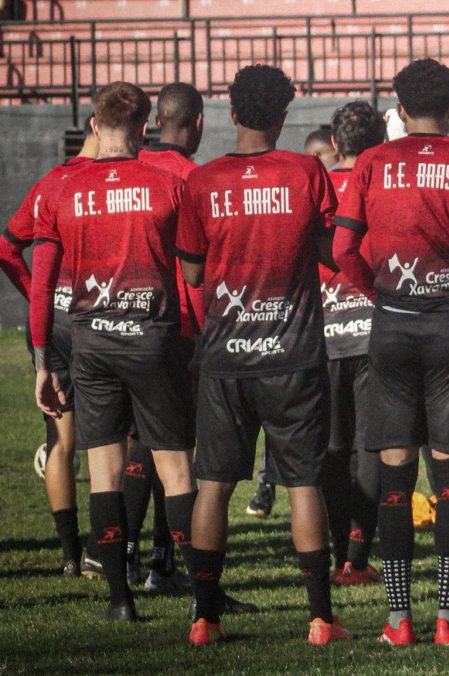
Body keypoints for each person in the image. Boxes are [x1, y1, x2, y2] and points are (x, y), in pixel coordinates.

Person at [332, 58, 449, 646]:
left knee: (394, 476)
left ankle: (397, 622)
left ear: (399, 109)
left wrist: (380, 296)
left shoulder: (371, 162)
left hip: (390, 328)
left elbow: (341, 250)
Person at [177, 64, 347, 645]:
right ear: (283, 115)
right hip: (294, 355)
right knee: (304, 485)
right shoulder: (304, 171)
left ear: (230, 112)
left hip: (226, 358)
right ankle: (321, 619)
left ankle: (204, 618)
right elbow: (331, 252)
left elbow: (193, 271)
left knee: (214, 486)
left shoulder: (201, 182)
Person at [31, 82, 198, 622]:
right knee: (175, 470)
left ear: (95, 126)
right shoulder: (168, 183)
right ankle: (202, 597)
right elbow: (195, 267)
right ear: (145, 128)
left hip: (90, 343)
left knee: (103, 469)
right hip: (153, 339)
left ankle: (120, 603)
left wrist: (41, 360)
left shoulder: (63, 190)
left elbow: (41, 284)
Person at [0, 117, 96, 578]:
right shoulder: (111, 183)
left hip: (51, 322)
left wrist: (38, 293)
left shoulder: (49, 182)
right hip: (96, 321)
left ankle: (69, 555)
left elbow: (6, 248)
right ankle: (110, 547)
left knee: (60, 442)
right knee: (108, 440)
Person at [125, 81, 207, 594]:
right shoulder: (193, 179)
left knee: (138, 442)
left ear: (156, 122)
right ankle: (163, 563)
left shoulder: (131, 171)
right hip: (183, 330)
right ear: (196, 122)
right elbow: (200, 269)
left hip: (127, 323)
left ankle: (128, 558)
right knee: (175, 450)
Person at [320, 100, 386, 585]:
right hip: (373, 331)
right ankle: (357, 559)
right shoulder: (384, 188)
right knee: (370, 448)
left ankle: (336, 550)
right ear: (380, 143)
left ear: (335, 143)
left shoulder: (314, 186)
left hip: (319, 336)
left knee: (331, 449)